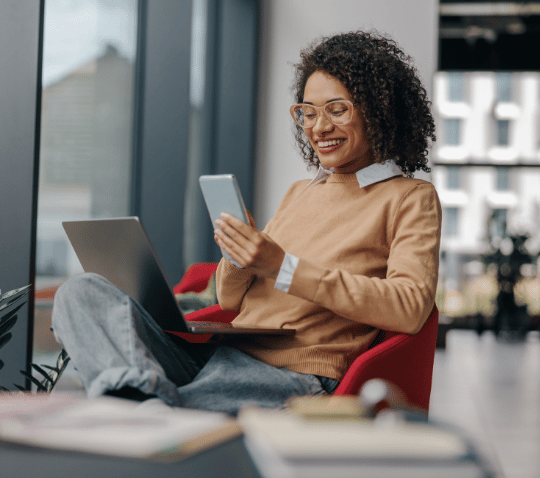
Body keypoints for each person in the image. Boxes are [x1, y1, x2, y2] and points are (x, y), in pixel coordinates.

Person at [52, 30, 441, 416]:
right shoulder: (300, 192)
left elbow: (408, 308)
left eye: (336, 110)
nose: (318, 127)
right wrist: (239, 259)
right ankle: (141, 402)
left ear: (377, 110)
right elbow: (229, 300)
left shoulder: (409, 197)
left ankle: (139, 408)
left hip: (293, 378)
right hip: (223, 356)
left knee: (174, 409)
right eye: (307, 112)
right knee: (81, 292)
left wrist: (281, 267)